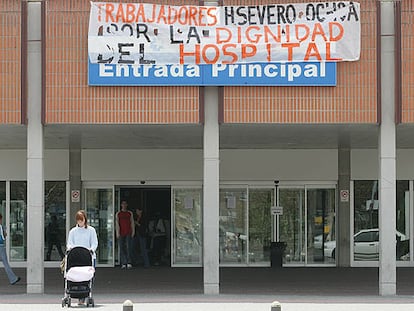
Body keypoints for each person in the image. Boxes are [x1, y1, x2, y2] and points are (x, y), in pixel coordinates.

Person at [66, 210, 98, 305]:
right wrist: (70, 249)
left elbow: (94, 243)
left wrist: (91, 250)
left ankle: (84, 297)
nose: (80, 222)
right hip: (75, 258)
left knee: (86, 277)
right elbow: (70, 243)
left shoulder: (91, 230)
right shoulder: (73, 231)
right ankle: (75, 294)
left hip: (88, 257)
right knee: (76, 276)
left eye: (82, 220)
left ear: (85, 220)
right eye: (78, 220)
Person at [0, 213, 21, 285]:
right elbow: (2, 238)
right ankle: (13, 279)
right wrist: (4, 233)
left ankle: (13, 278)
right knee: (6, 263)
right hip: (1, 246)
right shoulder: (0, 227)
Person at [116, 200, 135, 269]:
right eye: (123, 204)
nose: (124, 205)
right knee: (121, 247)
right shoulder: (118, 213)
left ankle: (129, 262)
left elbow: (132, 222)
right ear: (121, 205)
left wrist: (133, 231)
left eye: (125, 204)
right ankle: (123, 262)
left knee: (128, 247)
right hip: (121, 232)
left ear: (127, 205)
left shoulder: (130, 213)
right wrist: (117, 233)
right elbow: (117, 223)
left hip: (128, 232)